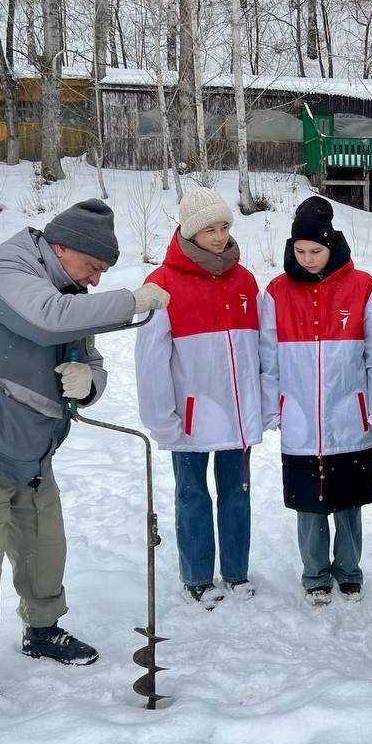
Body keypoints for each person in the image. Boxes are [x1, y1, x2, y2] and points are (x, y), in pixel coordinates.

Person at [0, 198, 170, 697]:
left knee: (45, 547)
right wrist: (131, 300)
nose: (94, 281)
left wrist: (86, 381)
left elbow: (90, 357)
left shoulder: (68, 290)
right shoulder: (6, 266)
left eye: (103, 274)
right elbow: (47, 318)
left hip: (28, 445)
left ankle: (43, 631)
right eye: (93, 267)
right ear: (62, 246)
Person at [259, 196, 372, 605]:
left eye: (315, 251)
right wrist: (272, 406)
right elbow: (267, 355)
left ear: (332, 245)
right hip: (300, 415)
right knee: (309, 504)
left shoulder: (364, 287)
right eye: (300, 251)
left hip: (349, 416)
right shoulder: (276, 293)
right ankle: (315, 574)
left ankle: (349, 571)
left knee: (348, 500)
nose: (308, 258)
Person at [135, 187, 261, 608]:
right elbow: (150, 360)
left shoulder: (244, 280)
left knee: (237, 492)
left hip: (237, 415)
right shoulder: (162, 285)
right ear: (190, 232)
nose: (220, 236)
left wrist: (260, 401)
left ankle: (237, 572)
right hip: (189, 416)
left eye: (224, 227)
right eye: (210, 229)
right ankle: (197, 576)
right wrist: (161, 418)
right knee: (192, 493)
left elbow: (259, 349)